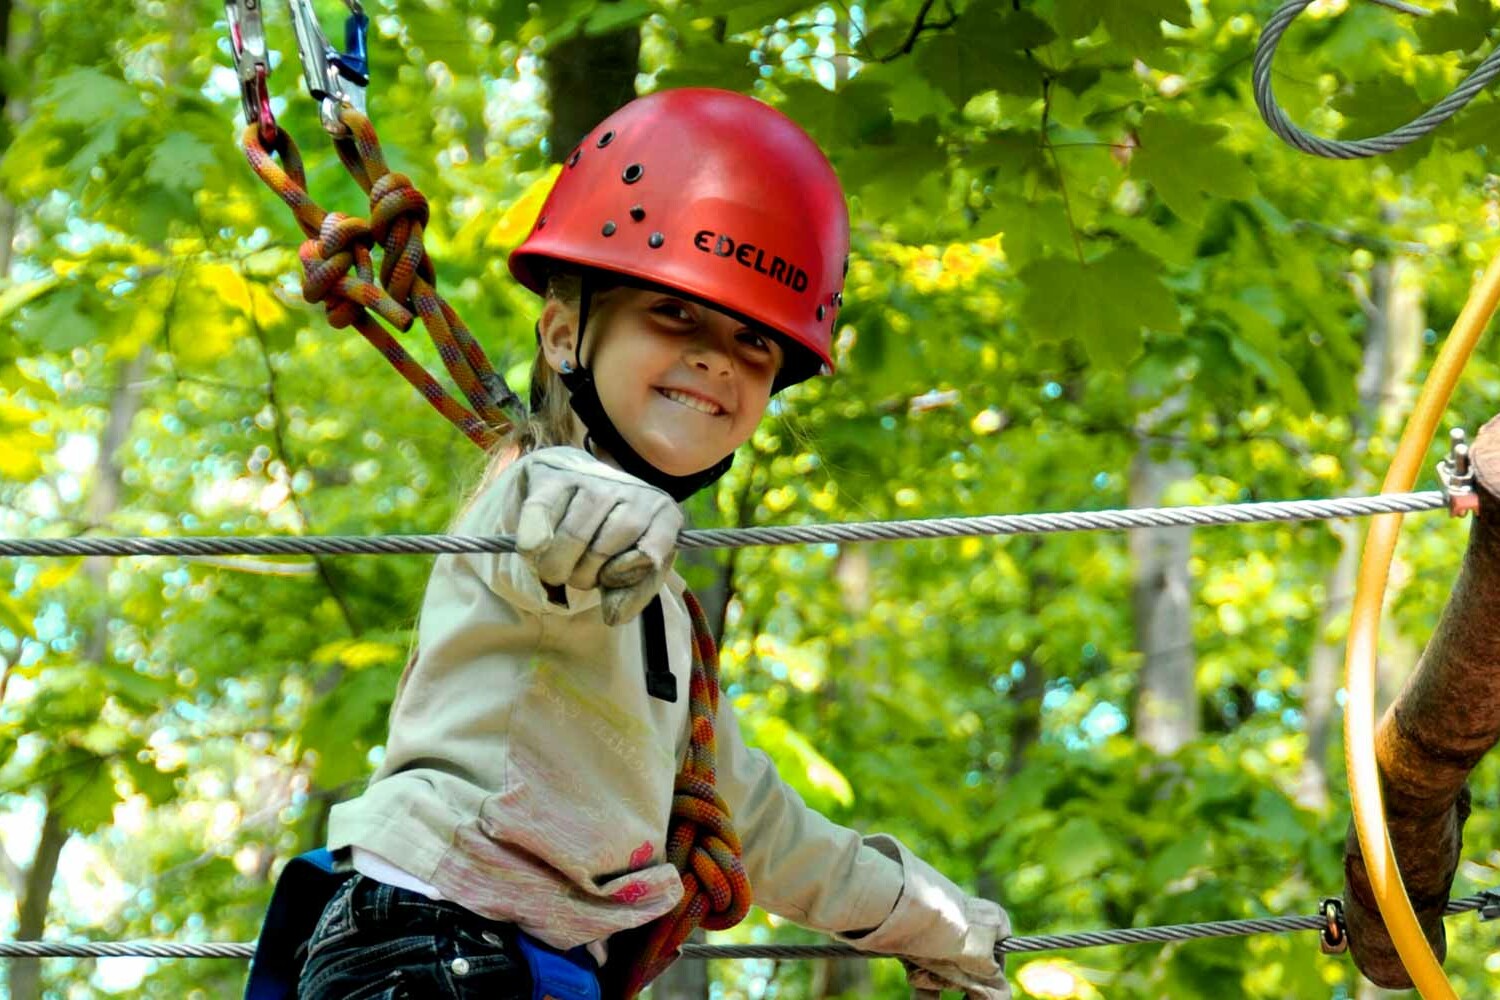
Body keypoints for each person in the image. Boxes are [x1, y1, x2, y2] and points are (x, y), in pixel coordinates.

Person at [294, 87, 1011, 1000]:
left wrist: (931, 917)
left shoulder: (669, 620)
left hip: (518, 965)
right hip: (431, 943)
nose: (716, 357)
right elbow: (553, 527)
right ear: (565, 335)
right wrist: (606, 511)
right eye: (674, 316)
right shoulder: (533, 493)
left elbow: (756, 827)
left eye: (754, 341)